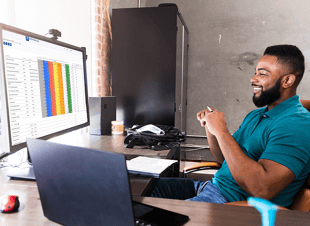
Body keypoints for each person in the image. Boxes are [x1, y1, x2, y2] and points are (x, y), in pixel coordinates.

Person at [148, 45, 310, 208]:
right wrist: (212, 130)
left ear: (287, 80)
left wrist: (222, 130)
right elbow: (225, 159)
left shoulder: (296, 125)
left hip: (234, 205)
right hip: (212, 188)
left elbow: (262, 189)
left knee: (155, 217)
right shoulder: (257, 115)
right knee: (140, 191)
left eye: (262, 73)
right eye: (255, 72)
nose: (253, 79)